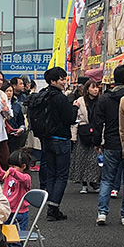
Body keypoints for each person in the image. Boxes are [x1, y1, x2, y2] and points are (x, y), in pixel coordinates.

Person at [31, 67, 78, 221]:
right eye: (61, 79)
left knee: (51, 173)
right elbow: (70, 118)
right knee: (62, 175)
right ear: (53, 81)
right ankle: (53, 207)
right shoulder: (60, 98)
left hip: (46, 138)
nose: (64, 82)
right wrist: (75, 107)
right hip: (61, 139)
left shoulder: (43, 95)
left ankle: (50, 205)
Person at [92, 64, 124, 226]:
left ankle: (102, 213)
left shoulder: (104, 98)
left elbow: (97, 123)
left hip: (110, 143)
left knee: (107, 179)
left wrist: (97, 142)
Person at [0, 148, 32, 247]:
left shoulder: (26, 178)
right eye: (10, 166)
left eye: (14, 166)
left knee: (16, 239)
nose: (10, 169)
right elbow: (1, 174)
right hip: (8, 211)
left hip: (19, 213)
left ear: (23, 166)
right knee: (5, 237)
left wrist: (13, 171)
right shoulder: (9, 175)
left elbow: (23, 179)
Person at [71, 80, 102, 195]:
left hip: (96, 132)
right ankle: (84, 184)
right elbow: (75, 120)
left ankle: (94, 182)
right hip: (83, 133)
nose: (95, 90)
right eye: (93, 87)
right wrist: (73, 136)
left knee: (94, 160)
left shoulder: (100, 101)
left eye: (97, 87)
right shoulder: (80, 101)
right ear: (87, 89)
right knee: (81, 159)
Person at [4, 83, 27, 154]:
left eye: (11, 91)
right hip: (2, 135)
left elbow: (21, 121)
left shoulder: (16, 105)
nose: (9, 93)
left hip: (14, 134)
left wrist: (21, 128)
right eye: (7, 91)